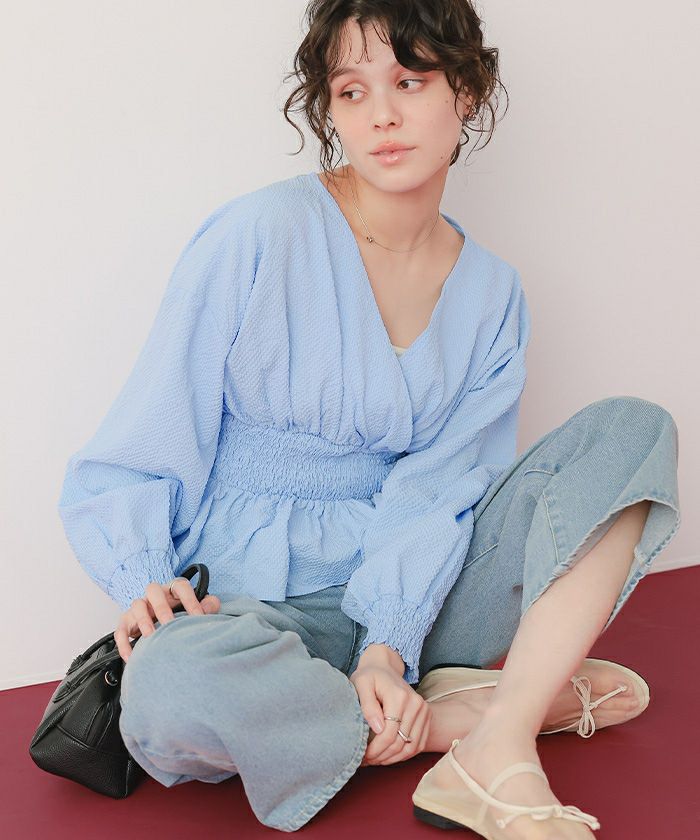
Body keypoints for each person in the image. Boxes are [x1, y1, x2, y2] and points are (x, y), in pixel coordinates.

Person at [56, 1, 681, 837]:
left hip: (420, 596)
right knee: (174, 685)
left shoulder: (492, 294)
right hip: (250, 610)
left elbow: (443, 488)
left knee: (633, 429)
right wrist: (141, 574)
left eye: (409, 82)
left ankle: (482, 732)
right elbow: (150, 427)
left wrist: (388, 642)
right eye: (352, 92)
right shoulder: (258, 233)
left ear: (466, 90)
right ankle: (461, 719)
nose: (380, 115)